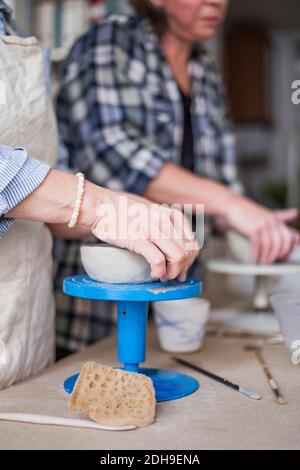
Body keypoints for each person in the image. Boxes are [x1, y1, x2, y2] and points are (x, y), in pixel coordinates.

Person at [54, 0, 300, 356]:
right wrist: (233, 206)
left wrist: (259, 225)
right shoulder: (113, 40)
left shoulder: (206, 70)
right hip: (100, 307)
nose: (217, 2)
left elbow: (222, 180)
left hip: (178, 294)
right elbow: (116, 152)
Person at [0, 1, 198, 390]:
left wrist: (131, 214)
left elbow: (37, 207)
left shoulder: (12, 25)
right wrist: (96, 206)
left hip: (27, 336)